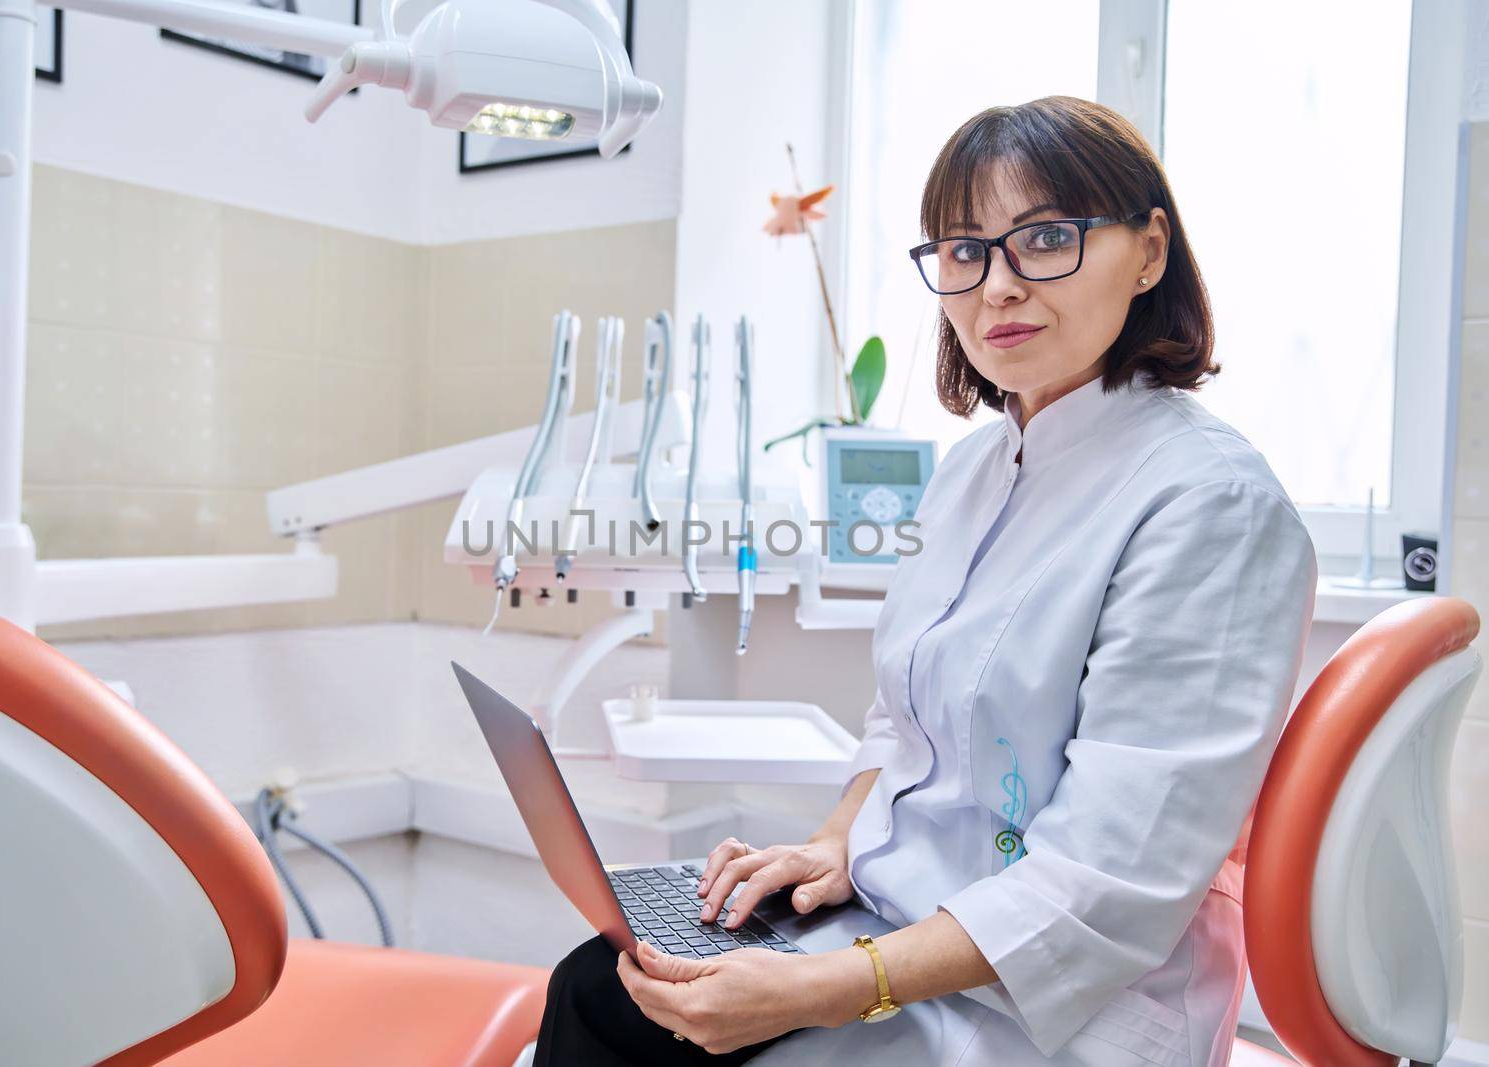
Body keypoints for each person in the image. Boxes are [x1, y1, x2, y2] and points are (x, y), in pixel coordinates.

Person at [533, 95, 1318, 1066]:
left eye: (1045, 238)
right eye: (963, 249)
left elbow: (1109, 875)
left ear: (1148, 250)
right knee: (600, 978)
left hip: (1054, 1007)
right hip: (899, 921)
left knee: (629, 1027)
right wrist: (833, 841)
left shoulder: (1210, 506)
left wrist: (825, 985)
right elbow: (902, 722)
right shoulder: (969, 475)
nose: (997, 285)